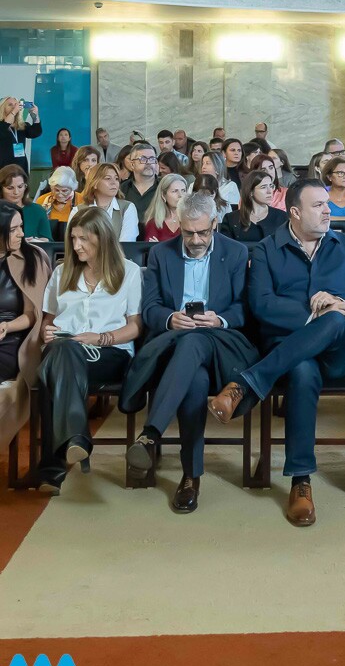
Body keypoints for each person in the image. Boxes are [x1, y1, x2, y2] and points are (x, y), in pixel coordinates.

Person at [207, 179, 345, 525]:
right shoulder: (266, 249)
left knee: (335, 321)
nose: (328, 211)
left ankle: (246, 383)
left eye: (327, 204)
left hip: (337, 352)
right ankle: (301, 481)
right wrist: (314, 315)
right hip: (287, 351)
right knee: (302, 368)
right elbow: (261, 305)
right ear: (295, 212)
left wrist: (340, 302)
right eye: (319, 205)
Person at [122, 192, 256, 512]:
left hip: (223, 344)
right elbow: (151, 308)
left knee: (194, 342)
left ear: (215, 223)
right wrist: (171, 318)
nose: (196, 240)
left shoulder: (236, 252)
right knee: (195, 378)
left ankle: (150, 434)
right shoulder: (161, 253)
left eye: (203, 232)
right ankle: (190, 476)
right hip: (177, 345)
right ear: (177, 225)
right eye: (188, 232)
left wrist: (219, 319)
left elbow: (245, 308)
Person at [36, 207, 142, 494]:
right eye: (73, 238)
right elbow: (48, 320)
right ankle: (76, 438)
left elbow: (135, 326)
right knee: (60, 354)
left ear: (102, 238)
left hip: (109, 352)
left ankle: (51, 470)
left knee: (53, 369)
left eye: (83, 238)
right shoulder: (62, 272)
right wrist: (46, 332)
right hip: (65, 347)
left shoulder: (129, 272)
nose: (76, 245)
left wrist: (101, 338)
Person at [0, 202, 49, 441]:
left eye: (21, 226)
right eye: (13, 230)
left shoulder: (33, 258)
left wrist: (6, 326)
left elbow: (34, 314)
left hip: (15, 338)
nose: (21, 233)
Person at [71, 162, 139, 241]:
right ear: (94, 183)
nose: (114, 182)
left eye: (116, 179)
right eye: (108, 178)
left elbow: (127, 242)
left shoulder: (127, 208)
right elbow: (74, 242)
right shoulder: (78, 211)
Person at [220, 169, 288, 242]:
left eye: (271, 186)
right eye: (263, 187)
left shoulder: (282, 217)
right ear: (251, 192)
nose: (269, 191)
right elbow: (225, 246)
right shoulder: (231, 219)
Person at [1, 165, 53, 241]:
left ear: (25, 187)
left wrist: (37, 241)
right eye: (10, 188)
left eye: (20, 187)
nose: (16, 192)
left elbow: (49, 242)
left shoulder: (38, 210)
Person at [119, 141, 160, 222]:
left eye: (152, 159)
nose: (148, 163)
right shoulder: (122, 189)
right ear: (132, 164)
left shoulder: (165, 187)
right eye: (143, 159)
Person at [143, 173, 189, 243]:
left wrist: (161, 245)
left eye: (183, 190)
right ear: (163, 195)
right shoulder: (154, 223)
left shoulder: (193, 219)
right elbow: (152, 248)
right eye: (174, 191)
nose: (180, 195)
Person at [0, 97, 41, 174]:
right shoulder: (2, 125)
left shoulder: (21, 125)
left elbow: (36, 133)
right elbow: (2, 129)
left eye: (16, 104)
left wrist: (35, 116)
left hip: (21, 168)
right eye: (10, 105)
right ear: (2, 108)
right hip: (3, 169)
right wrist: (14, 112)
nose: (14, 107)